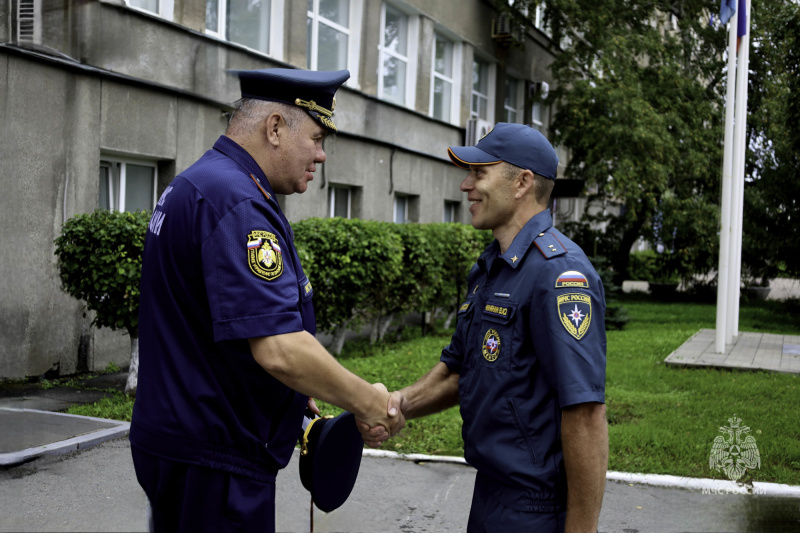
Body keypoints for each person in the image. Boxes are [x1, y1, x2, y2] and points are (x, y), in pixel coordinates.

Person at [130, 68, 404, 533]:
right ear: (275, 128)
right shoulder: (237, 202)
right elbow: (278, 348)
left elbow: (211, 326)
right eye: (317, 138)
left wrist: (293, 397)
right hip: (217, 458)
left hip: (186, 442)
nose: (320, 155)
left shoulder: (202, 182)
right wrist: (367, 402)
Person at [362, 123, 608, 533]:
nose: (465, 185)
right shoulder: (491, 267)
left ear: (522, 183)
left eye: (479, 173)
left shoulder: (560, 274)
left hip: (536, 507)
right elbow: (459, 371)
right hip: (491, 495)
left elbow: (584, 413)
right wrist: (396, 405)